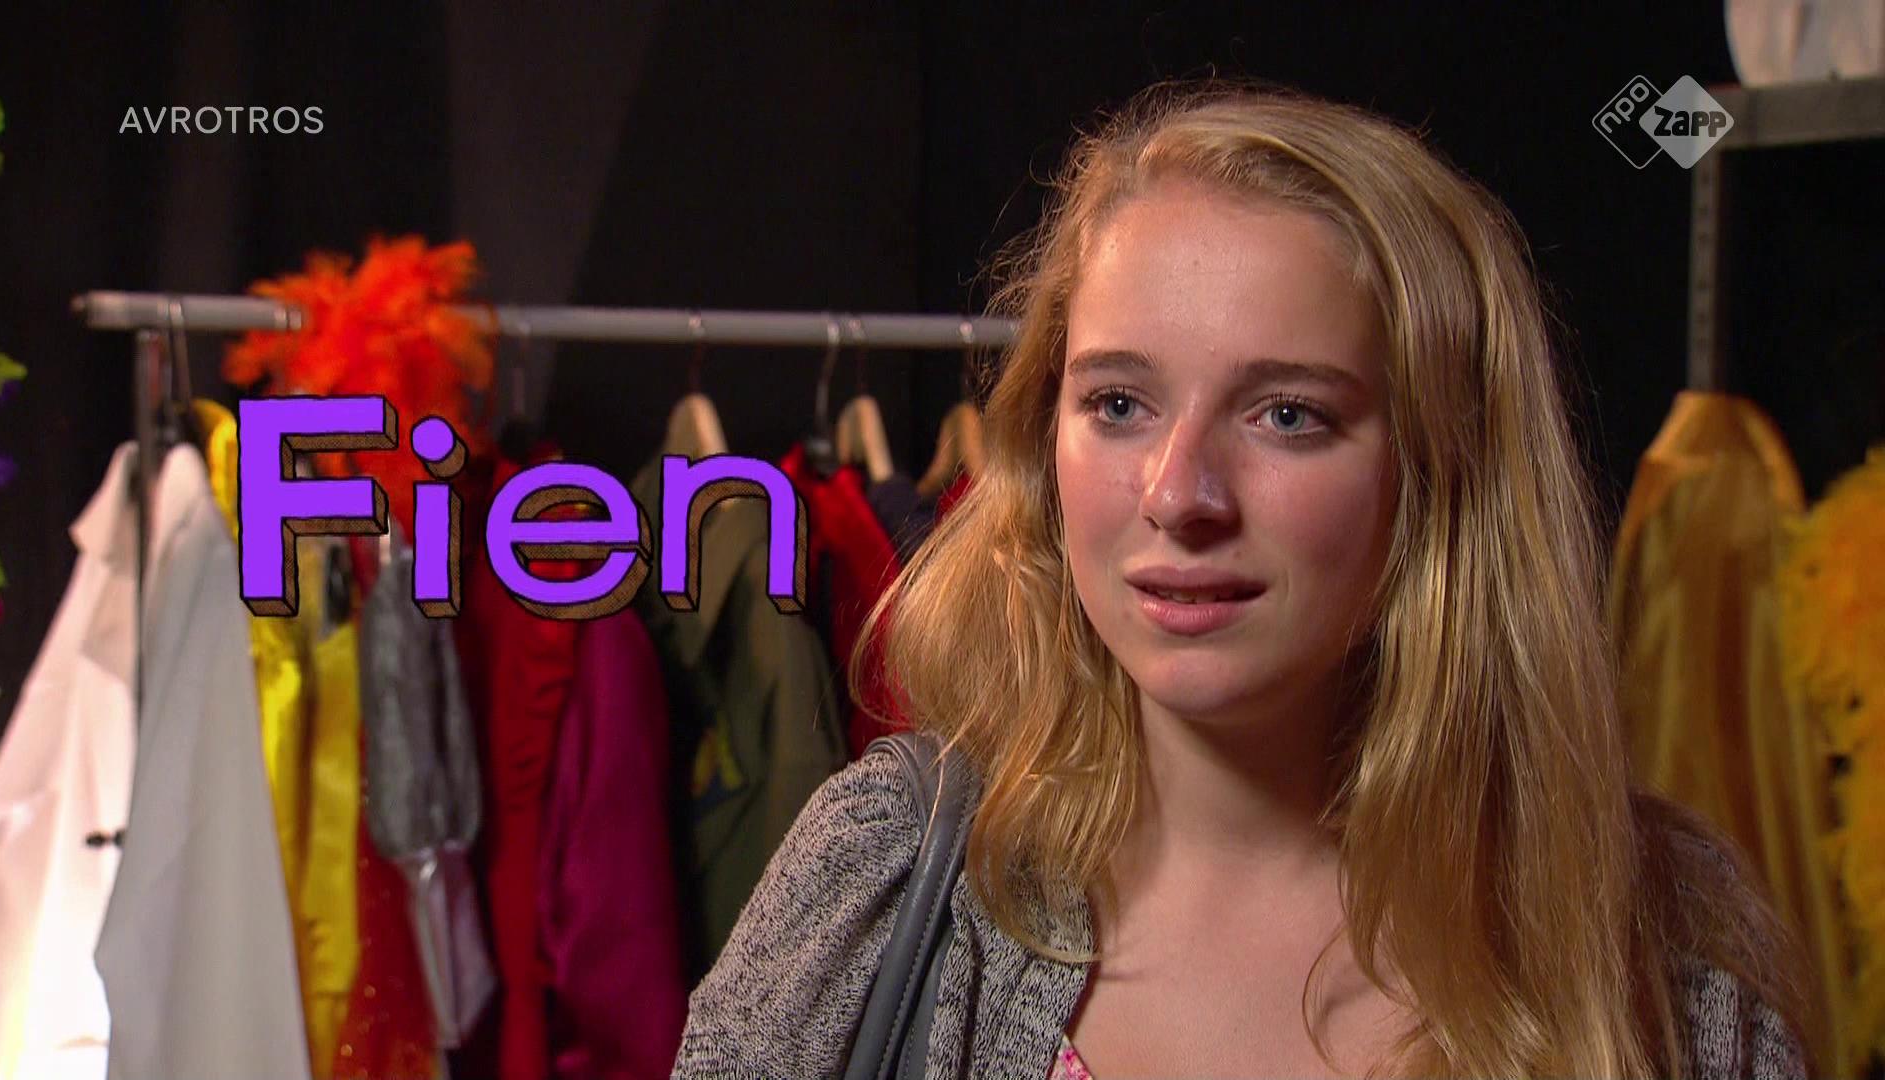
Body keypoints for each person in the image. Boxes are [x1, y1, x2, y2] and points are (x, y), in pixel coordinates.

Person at [670, 80, 1818, 1079]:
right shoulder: (888, 879)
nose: (1179, 494)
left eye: (1287, 415)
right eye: (1119, 403)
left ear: (1443, 469)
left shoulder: (1653, 957)